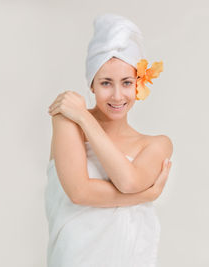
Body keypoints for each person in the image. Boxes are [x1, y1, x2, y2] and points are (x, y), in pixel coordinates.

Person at [44, 13, 173, 267]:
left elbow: (128, 181)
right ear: (91, 85)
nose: (117, 95)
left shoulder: (156, 145)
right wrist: (145, 196)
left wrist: (84, 116)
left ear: (138, 84)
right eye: (105, 83)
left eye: (126, 82)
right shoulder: (68, 121)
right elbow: (79, 192)